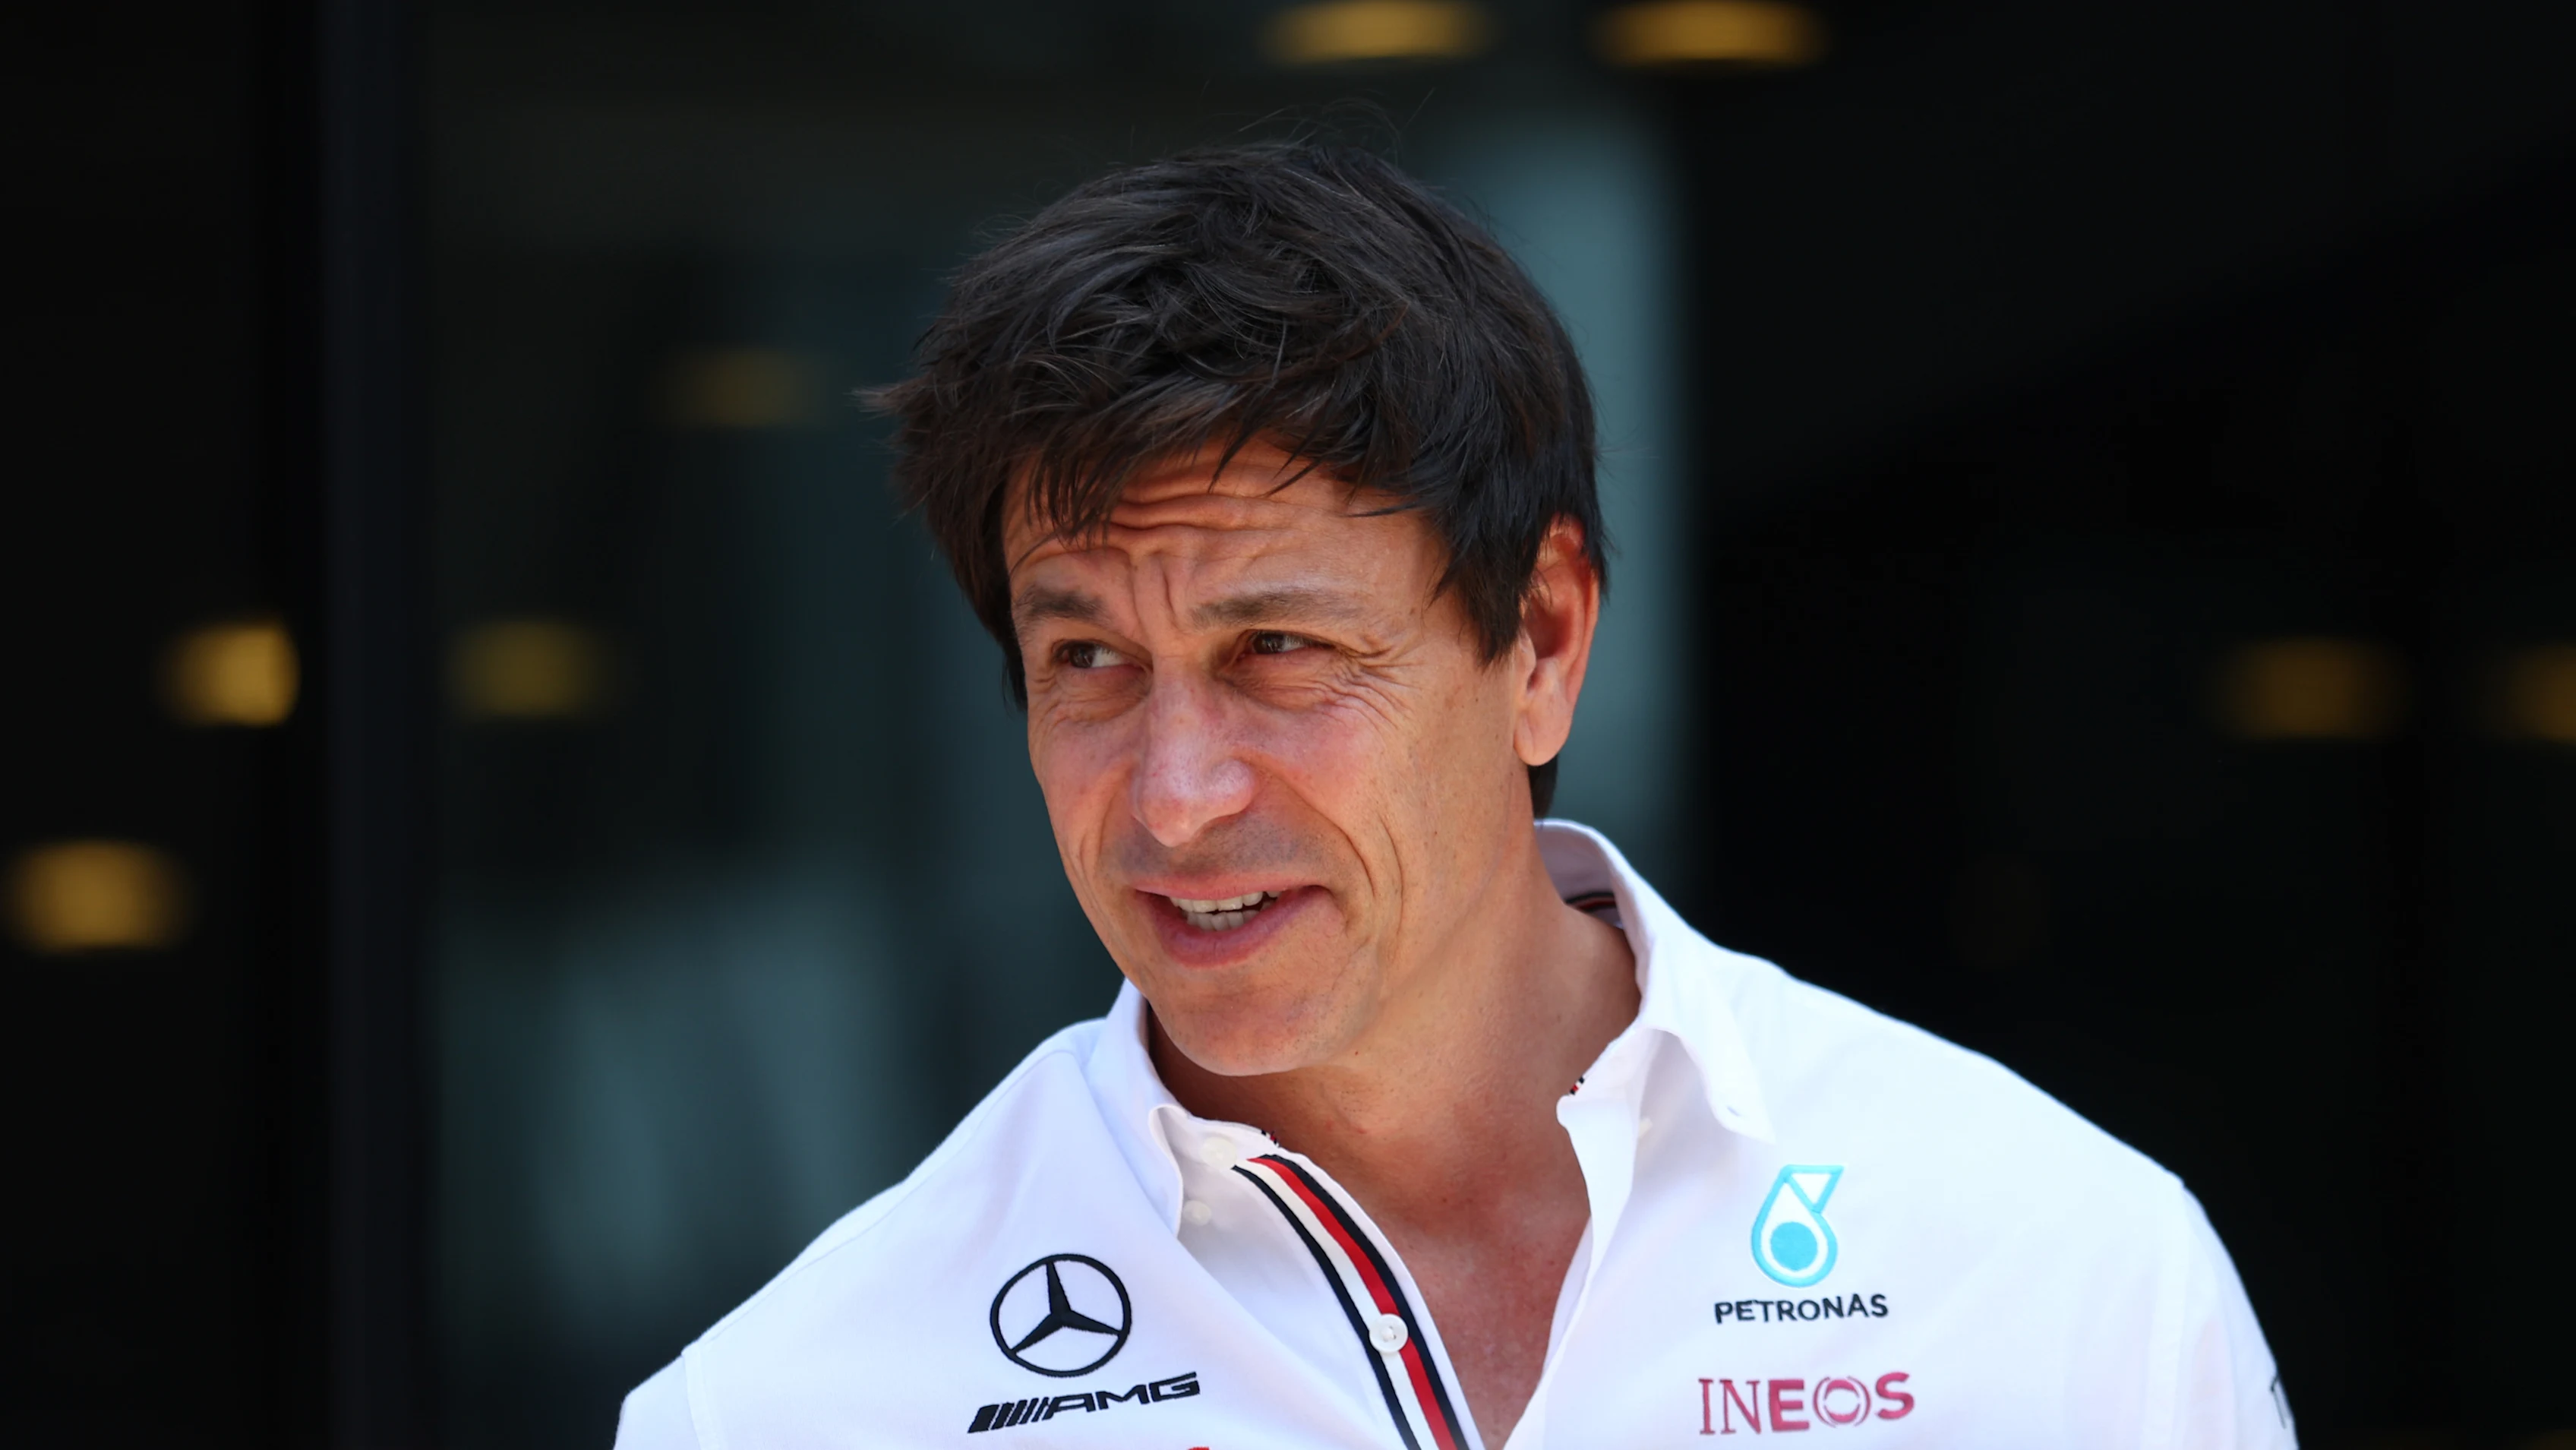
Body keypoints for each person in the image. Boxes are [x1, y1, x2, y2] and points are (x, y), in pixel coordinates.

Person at [613, 141, 2293, 1448]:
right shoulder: (791, 1406)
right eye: (1090, 665)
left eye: (1275, 648)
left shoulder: (2066, 1278)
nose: (1175, 799)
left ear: (1542, 639)